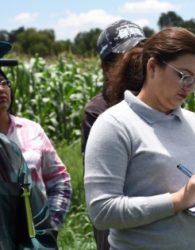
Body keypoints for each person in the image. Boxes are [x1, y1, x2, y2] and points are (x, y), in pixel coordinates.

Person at [84, 27, 195, 249]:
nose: (189, 87)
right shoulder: (114, 125)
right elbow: (103, 211)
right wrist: (177, 200)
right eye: (183, 75)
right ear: (153, 66)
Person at [80, 19, 146, 250]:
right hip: (118, 227)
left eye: (140, 54)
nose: (136, 63)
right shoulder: (99, 111)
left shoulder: (158, 100)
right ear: (107, 66)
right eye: (126, 56)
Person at [0, 41, 72, 239]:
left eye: (3, 82)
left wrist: (50, 226)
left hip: (34, 240)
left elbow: (60, 180)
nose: (1, 89)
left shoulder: (32, 130)